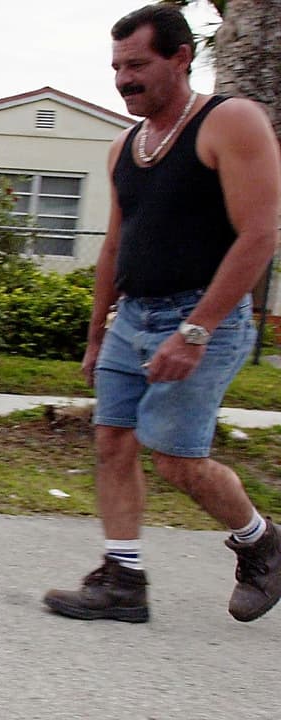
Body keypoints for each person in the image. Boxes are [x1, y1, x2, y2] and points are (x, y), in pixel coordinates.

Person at [44, 4, 281, 624]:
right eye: (117, 67)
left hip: (202, 318)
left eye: (138, 65)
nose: (123, 79)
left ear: (182, 57)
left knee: (176, 457)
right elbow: (115, 248)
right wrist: (97, 336)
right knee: (112, 441)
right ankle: (123, 579)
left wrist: (197, 330)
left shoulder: (230, 122)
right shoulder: (126, 145)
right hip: (134, 318)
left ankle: (263, 543)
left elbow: (259, 235)